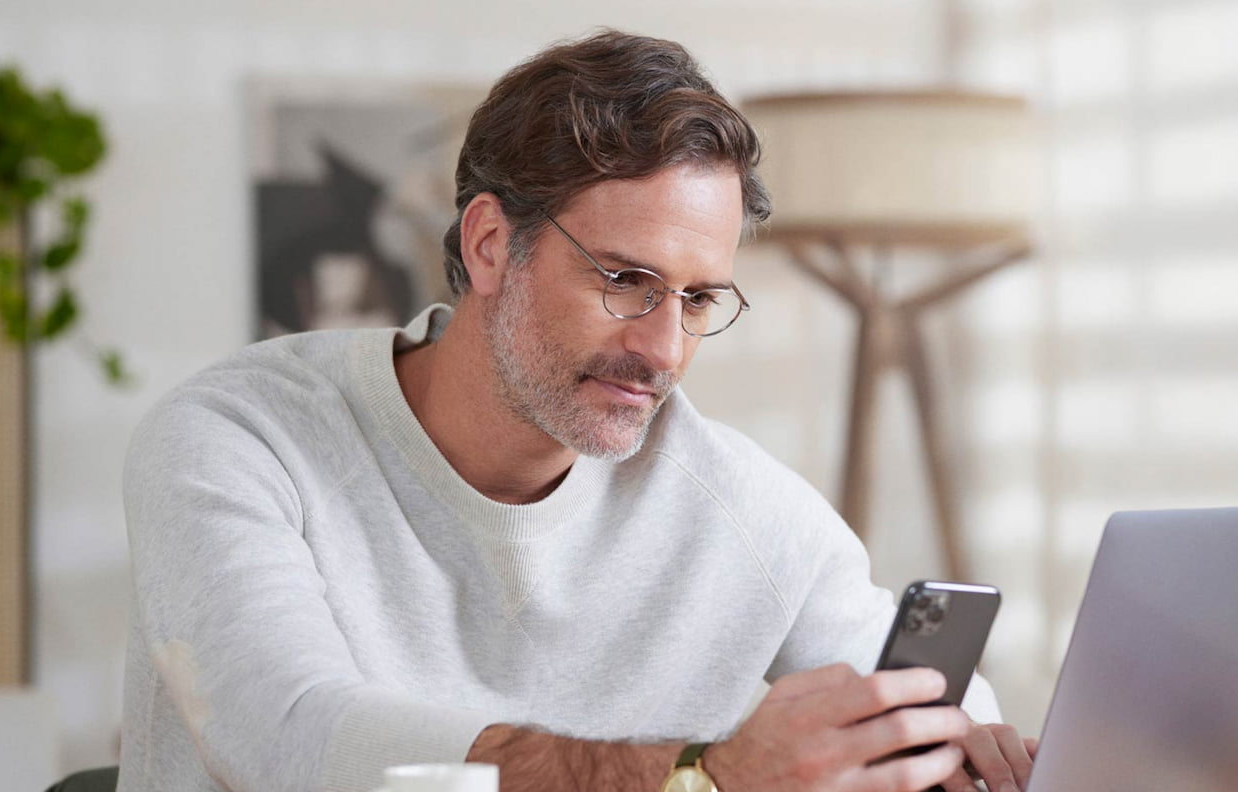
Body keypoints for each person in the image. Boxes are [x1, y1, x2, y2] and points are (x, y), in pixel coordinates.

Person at [119, 29, 1035, 792]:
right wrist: (698, 776)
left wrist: (964, 753)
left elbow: (930, 701)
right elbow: (286, 734)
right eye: (626, 281)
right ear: (489, 245)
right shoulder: (234, 441)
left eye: (698, 299)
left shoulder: (742, 511)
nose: (665, 350)